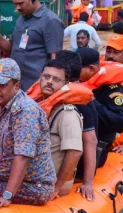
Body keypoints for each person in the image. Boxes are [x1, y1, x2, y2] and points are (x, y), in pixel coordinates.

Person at [0, 59, 55, 207]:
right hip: (0, 174)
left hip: (32, 185)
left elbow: (23, 156)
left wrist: (7, 195)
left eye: (1, 86)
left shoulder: (26, 111)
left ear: (16, 86)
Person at [27, 59, 91, 197]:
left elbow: (75, 152)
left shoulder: (67, 114)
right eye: (46, 77)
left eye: (56, 79)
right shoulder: (37, 105)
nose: (49, 81)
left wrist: (56, 187)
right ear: (40, 78)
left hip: (51, 182)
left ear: (65, 84)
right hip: (35, 175)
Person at [0, 0, 64, 91]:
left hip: (36, 88)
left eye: (21, 3)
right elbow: (10, 48)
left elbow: (55, 59)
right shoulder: (22, 18)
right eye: (15, 4)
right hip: (17, 85)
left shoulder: (50, 21)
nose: (18, 8)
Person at [55, 50, 98, 201]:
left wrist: (88, 182)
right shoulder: (66, 93)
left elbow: (91, 140)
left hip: (74, 168)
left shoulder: (79, 100)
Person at [76, 48, 123, 168]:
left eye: (77, 70)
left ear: (91, 69)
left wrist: (92, 101)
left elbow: (120, 123)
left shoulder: (114, 90)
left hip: (97, 145)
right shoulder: (75, 83)